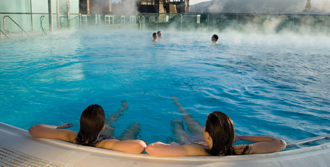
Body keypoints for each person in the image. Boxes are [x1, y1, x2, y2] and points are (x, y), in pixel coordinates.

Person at [145, 95, 286, 157]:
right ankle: (180, 108)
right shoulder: (239, 150)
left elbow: (151, 149)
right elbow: (280, 143)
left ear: (207, 135)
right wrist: (241, 137)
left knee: (178, 124)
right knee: (188, 123)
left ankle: (179, 107)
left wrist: (174, 146)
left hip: (194, 142)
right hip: (216, 142)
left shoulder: (197, 150)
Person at [29, 103, 146, 154]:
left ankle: (120, 111)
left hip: (93, 138)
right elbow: (139, 146)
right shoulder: (106, 144)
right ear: (102, 127)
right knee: (134, 127)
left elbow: (34, 129)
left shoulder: (70, 135)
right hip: (105, 139)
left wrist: (57, 128)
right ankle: (122, 110)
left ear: (80, 123)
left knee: (120, 127)